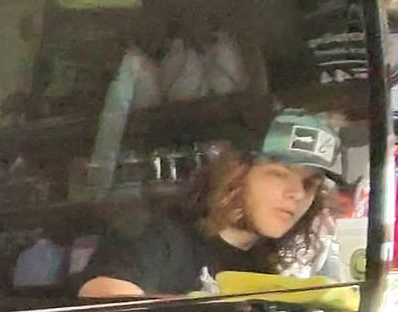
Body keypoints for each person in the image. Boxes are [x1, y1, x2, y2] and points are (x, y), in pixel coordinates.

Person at [77, 111, 349, 301]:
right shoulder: (157, 238)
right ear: (236, 173)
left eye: (310, 184)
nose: (296, 193)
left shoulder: (262, 263)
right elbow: (102, 300)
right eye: (278, 173)